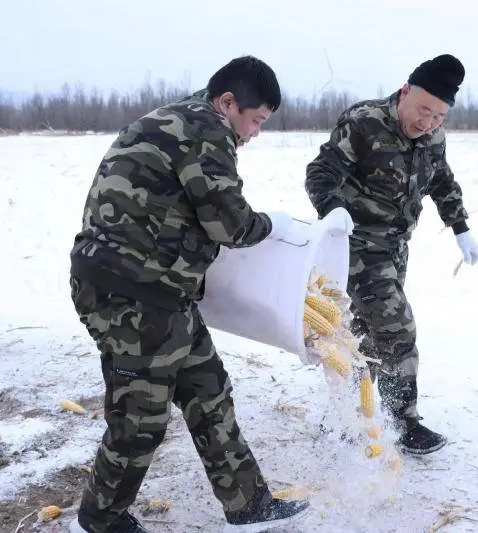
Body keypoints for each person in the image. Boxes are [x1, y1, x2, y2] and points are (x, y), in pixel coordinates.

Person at [67, 56, 310, 533]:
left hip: (159, 291)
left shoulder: (181, 118)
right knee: (140, 418)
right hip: (130, 293)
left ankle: (249, 506)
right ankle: (99, 521)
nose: (256, 132)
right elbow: (230, 223)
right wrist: (272, 225)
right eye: (256, 119)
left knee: (208, 390)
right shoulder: (206, 129)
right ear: (227, 103)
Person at [304, 54, 478, 456]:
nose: (428, 122)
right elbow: (321, 170)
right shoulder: (364, 121)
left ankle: (348, 414)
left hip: (396, 248)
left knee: (363, 335)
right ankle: (405, 424)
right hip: (356, 245)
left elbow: (442, 181)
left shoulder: (434, 137)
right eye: (423, 110)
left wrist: (461, 227)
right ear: (405, 92)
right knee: (397, 330)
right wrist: (332, 209)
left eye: (439, 116)